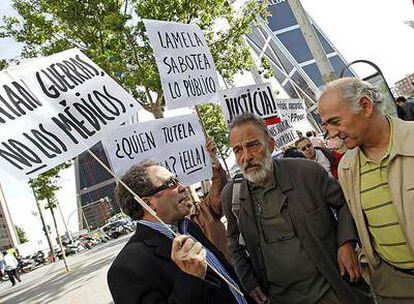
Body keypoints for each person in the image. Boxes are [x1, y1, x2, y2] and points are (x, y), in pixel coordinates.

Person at [221, 113, 373, 304]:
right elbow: (234, 244)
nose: (246, 157)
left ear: (270, 144)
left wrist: (346, 243)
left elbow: (344, 203)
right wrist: (249, 282)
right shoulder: (231, 196)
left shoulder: (307, 173)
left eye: (253, 145)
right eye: (238, 150)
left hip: (332, 290)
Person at [318, 77, 414, 303]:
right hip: (393, 285)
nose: (331, 134)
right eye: (326, 126)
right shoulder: (346, 167)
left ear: (365, 105)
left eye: (335, 122)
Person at [107, 160, 252, 304]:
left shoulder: (187, 227)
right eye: (171, 184)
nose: (182, 187)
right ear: (148, 203)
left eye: (177, 180)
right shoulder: (126, 269)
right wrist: (191, 279)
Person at [185, 139, 230, 261]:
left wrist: (213, 160)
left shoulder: (203, 210)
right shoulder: (166, 234)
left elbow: (219, 190)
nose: (179, 190)